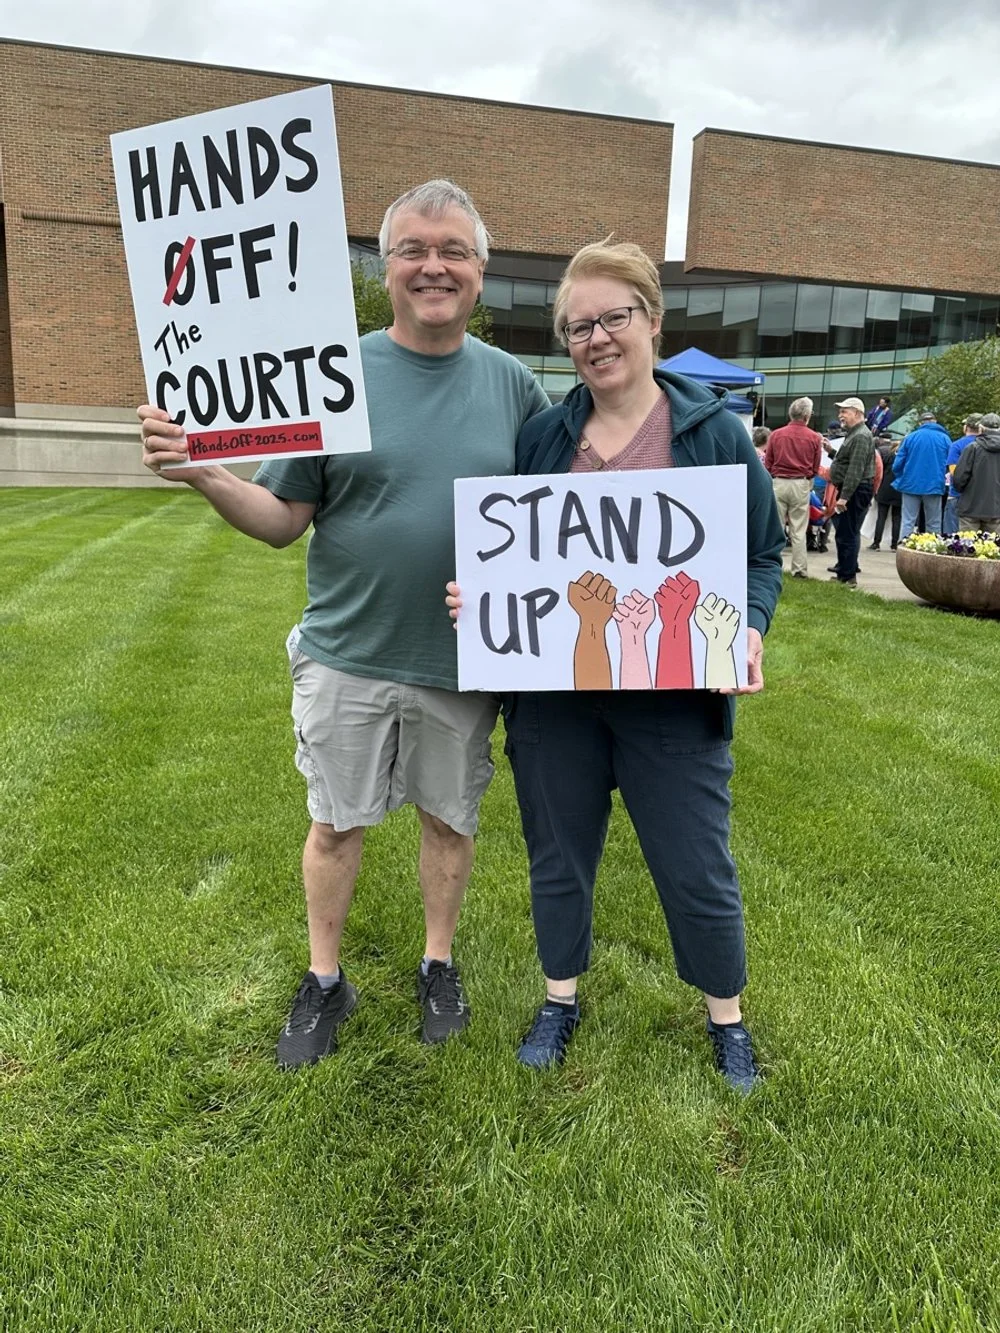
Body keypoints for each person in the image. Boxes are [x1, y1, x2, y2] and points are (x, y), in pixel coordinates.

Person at [138, 179, 549, 1068]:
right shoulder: (338, 369)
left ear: (481, 272)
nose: (432, 265)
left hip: (461, 659)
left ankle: (437, 963)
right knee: (335, 823)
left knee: (451, 819)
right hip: (347, 652)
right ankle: (325, 977)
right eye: (413, 249)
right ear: (387, 265)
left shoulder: (514, 386)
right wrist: (203, 472)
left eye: (453, 251)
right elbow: (284, 519)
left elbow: (555, 521)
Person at [449, 240, 783, 1092]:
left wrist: (747, 625)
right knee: (557, 854)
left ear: (651, 321)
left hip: (673, 697)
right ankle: (560, 996)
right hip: (557, 701)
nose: (595, 337)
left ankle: (727, 1016)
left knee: (696, 861)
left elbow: (762, 554)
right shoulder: (544, 436)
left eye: (612, 318)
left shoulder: (713, 434)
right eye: (577, 326)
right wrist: (485, 600)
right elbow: (517, 553)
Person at [763, 396, 824, 580]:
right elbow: (815, 467)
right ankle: (799, 570)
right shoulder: (814, 437)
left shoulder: (776, 435)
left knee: (775, 527)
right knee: (799, 529)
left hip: (779, 482)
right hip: (801, 483)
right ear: (806, 415)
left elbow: (768, 462)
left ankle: (772, 566)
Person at [828, 397, 876, 587]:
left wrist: (844, 497)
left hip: (855, 490)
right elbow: (847, 461)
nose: (840, 416)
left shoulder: (861, 436)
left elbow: (856, 469)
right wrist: (831, 452)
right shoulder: (855, 434)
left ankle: (847, 577)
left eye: (844, 411)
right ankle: (845, 572)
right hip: (853, 489)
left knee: (847, 533)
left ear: (857, 413)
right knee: (846, 531)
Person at [893, 410, 950, 539]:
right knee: (934, 522)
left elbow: (897, 464)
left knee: (908, 521)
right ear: (935, 422)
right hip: (934, 484)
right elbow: (950, 462)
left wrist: (900, 476)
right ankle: (932, 551)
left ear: (920, 423)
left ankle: (904, 550)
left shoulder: (910, 437)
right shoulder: (944, 438)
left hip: (910, 483)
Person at [953, 413, 1000, 531]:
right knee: (993, 548)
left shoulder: (972, 448)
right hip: (996, 509)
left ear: (981, 428)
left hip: (970, 506)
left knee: (966, 547)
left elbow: (959, 478)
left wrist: (962, 491)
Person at [944, 414, 983, 533]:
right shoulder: (989, 445)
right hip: (985, 497)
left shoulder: (957, 445)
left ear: (965, 427)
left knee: (953, 536)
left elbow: (953, 473)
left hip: (958, 496)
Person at [869, 436, 902, 551]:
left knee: (881, 517)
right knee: (897, 518)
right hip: (899, 490)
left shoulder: (887, 455)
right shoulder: (905, 457)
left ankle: (876, 543)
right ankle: (894, 545)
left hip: (884, 488)